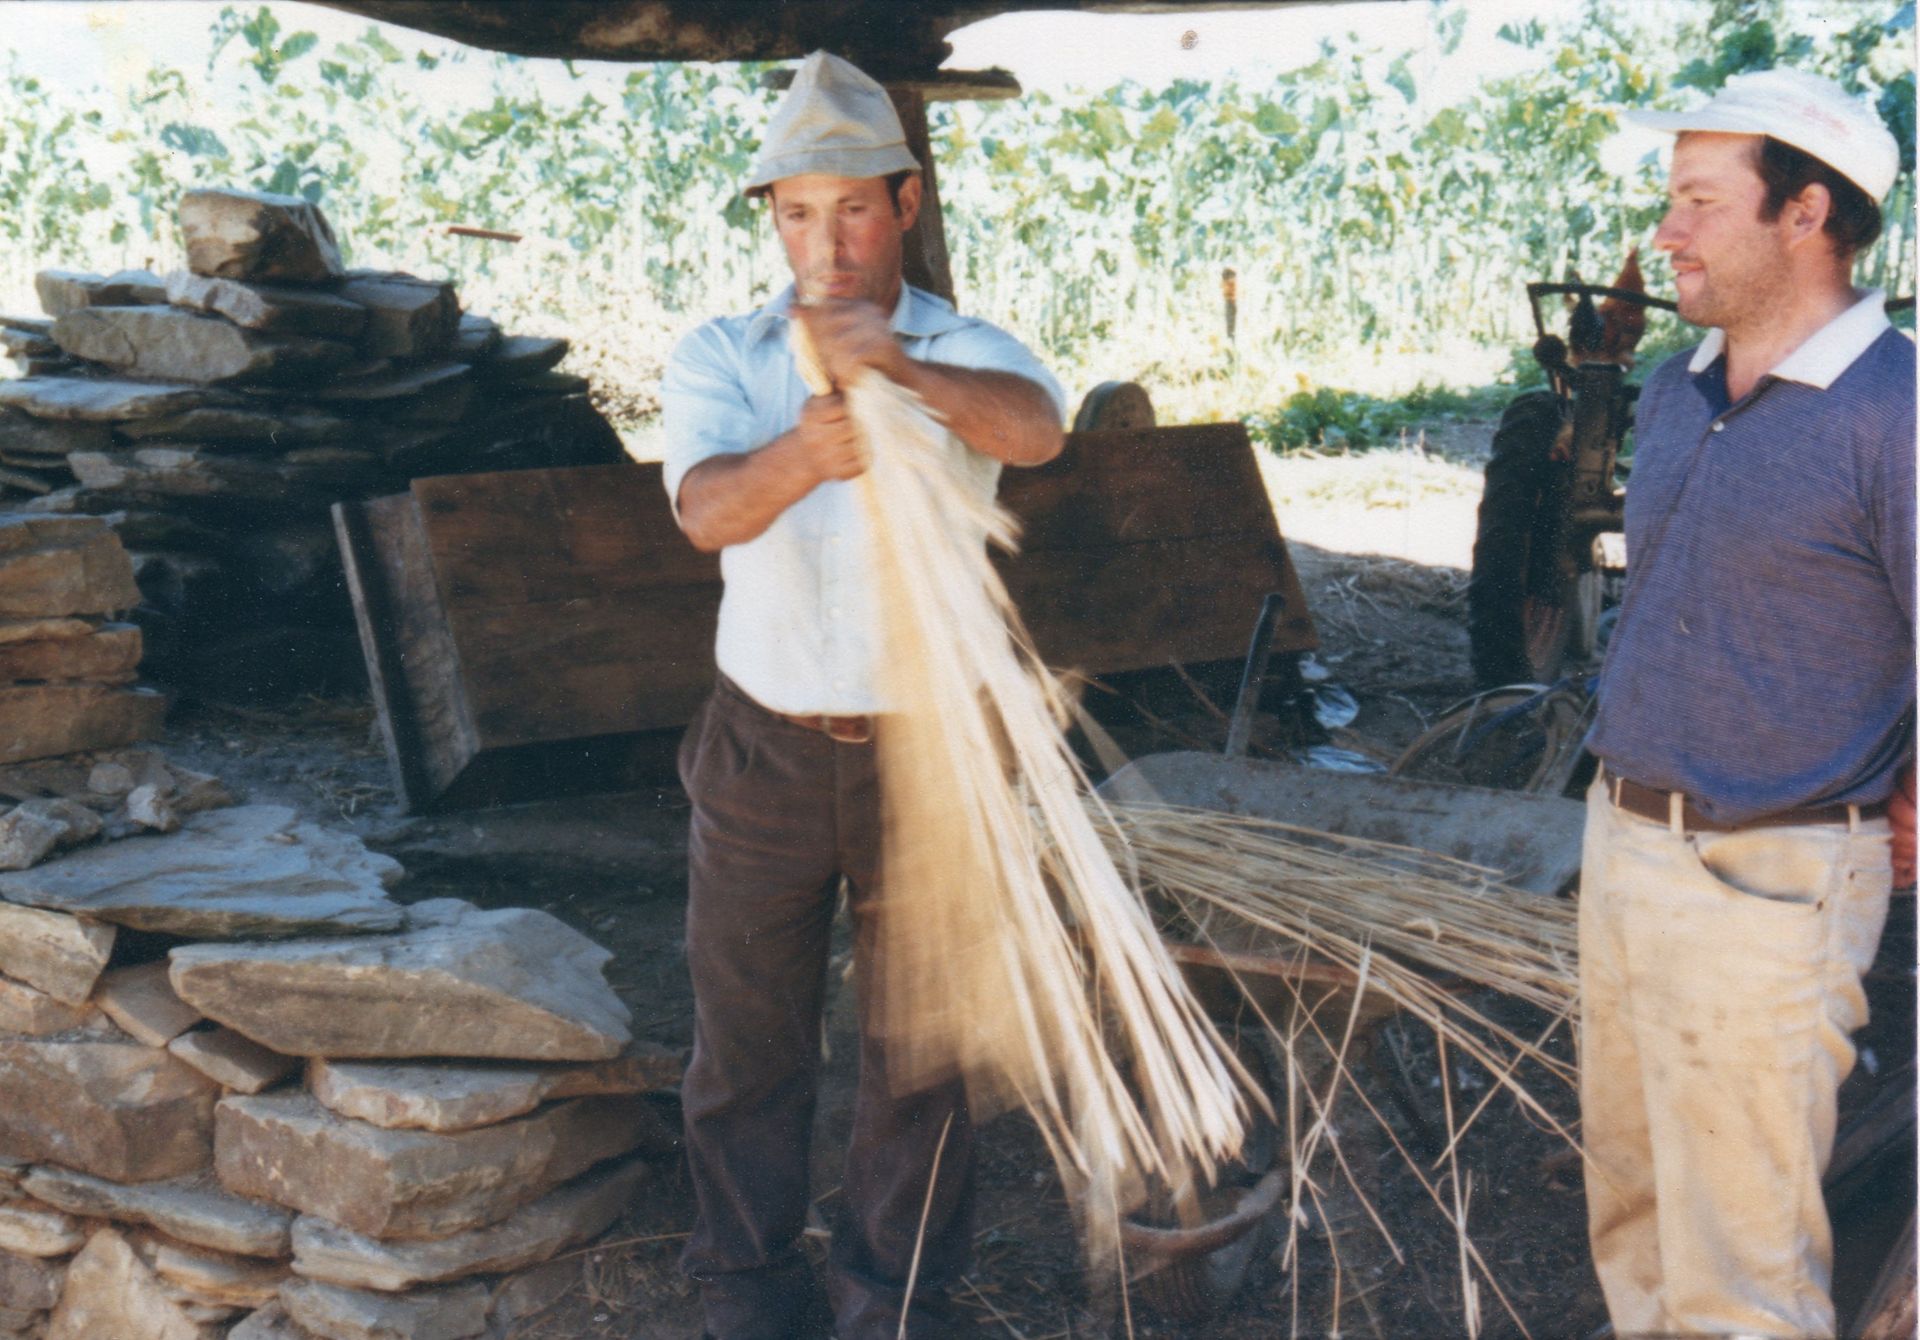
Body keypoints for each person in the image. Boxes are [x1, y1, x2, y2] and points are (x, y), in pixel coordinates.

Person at [658, 51, 1066, 1340]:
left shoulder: (964, 349)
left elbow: (1037, 426)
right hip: (764, 743)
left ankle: (893, 1299)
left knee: (920, 1050)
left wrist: (901, 374)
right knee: (747, 1036)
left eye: (851, 210)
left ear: (905, 204)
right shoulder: (723, 354)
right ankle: (744, 1286)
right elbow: (706, 509)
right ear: (772, 219)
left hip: (931, 751)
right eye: (796, 213)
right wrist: (804, 450)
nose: (825, 244)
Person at [1579, 67, 1915, 1337]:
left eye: (1701, 201)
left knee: (1739, 1273)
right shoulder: (1677, 390)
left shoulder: (1897, 413)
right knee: (1636, 1218)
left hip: (1769, 877)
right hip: (1624, 843)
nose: (1666, 231)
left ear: (1806, 213)